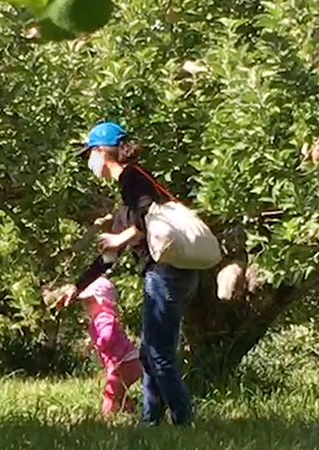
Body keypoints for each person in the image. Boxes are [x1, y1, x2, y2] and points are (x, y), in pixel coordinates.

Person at [56, 121, 199, 427]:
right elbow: (109, 258)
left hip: (165, 274)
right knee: (150, 353)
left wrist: (120, 238)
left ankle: (186, 422)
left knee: (158, 355)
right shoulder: (127, 199)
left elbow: (147, 217)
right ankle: (151, 421)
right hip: (173, 274)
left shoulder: (132, 179)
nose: (89, 164)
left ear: (100, 152)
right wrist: (77, 286)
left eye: (88, 156)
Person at [75, 275, 142, 416]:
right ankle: (131, 412)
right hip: (128, 361)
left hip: (124, 362)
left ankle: (106, 418)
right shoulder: (100, 318)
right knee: (119, 392)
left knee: (111, 392)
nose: (85, 306)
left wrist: (98, 344)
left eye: (89, 301)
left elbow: (107, 336)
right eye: (84, 302)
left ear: (102, 301)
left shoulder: (104, 316)